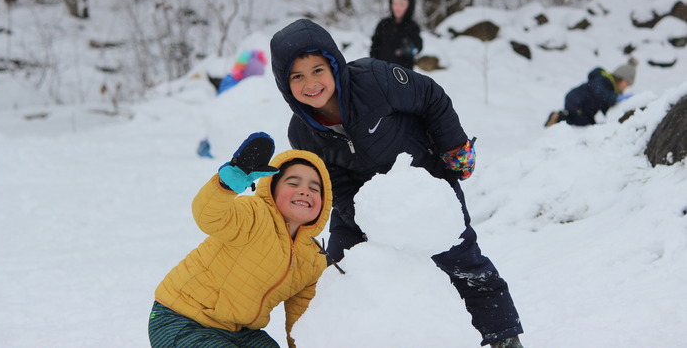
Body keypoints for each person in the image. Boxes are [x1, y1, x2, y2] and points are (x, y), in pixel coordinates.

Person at [270, 19, 524, 348]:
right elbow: (336, 186)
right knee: (339, 271)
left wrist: (454, 146)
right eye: (297, 76)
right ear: (284, 83)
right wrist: (366, 220)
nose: (311, 83)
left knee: (461, 261)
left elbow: (431, 98)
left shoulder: (376, 80)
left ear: (335, 65)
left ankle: (503, 335)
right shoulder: (301, 132)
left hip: (425, 186)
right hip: (362, 205)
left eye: (318, 70)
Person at [149, 132, 333, 348]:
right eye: (293, 183)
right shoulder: (253, 215)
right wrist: (229, 183)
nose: (304, 191)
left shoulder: (314, 258)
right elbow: (209, 215)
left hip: (240, 332)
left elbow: (301, 318)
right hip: (181, 318)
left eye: (314, 188)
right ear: (272, 189)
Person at [545, 57, 638, 127]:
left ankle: (561, 117)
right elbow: (599, 92)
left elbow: (604, 105)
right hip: (577, 101)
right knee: (582, 122)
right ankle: (557, 118)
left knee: (591, 124)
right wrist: (616, 98)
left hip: (585, 108)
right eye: (626, 85)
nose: (625, 89)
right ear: (622, 80)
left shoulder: (611, 88)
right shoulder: (603, 79)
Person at [369, 0, 423, 70]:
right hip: (382, 71)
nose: (397, 8)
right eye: (395, 3)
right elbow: (374, 47)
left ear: (409, 5)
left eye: (402, 4)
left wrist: (410, 46)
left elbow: (418, 47)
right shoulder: (384, 24)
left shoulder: (412, 27)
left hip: (403, 74)